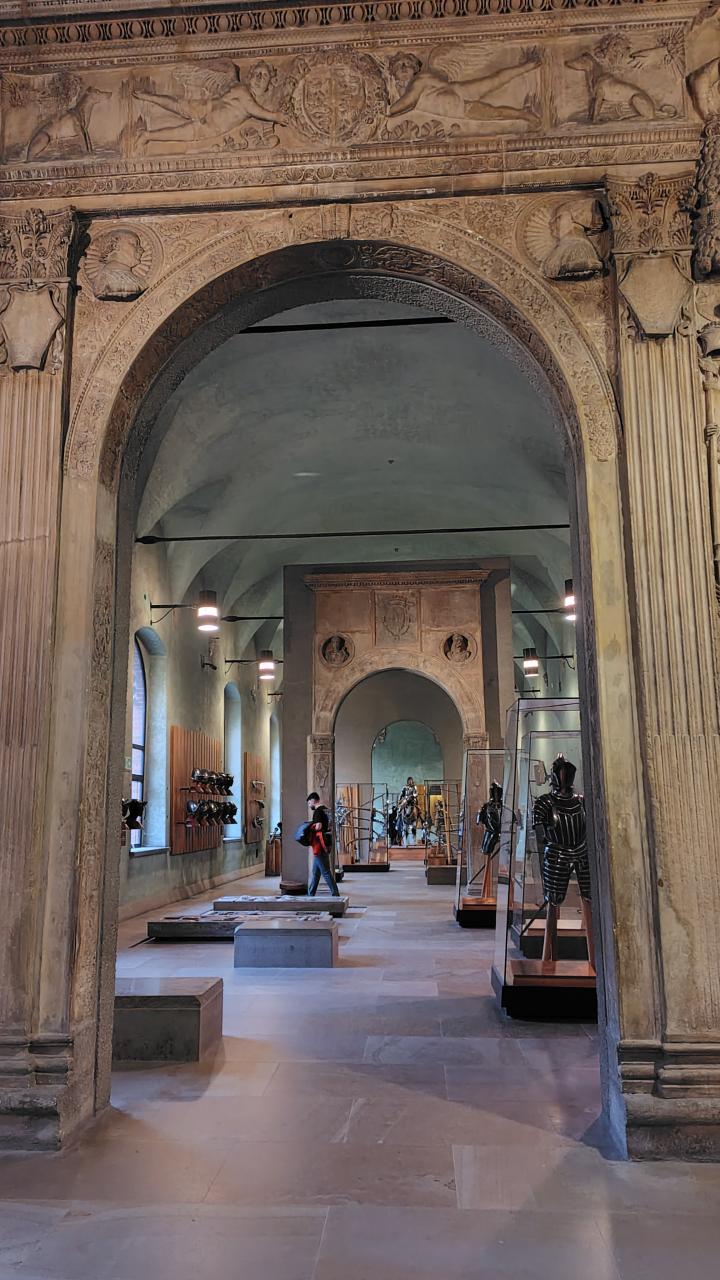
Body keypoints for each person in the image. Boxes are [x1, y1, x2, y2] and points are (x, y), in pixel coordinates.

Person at [306, 791, 340, 897]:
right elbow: (330, 825)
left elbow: (318, 826)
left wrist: (309, 828)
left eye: (309, 803)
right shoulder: (327, 810)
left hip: (319, 845)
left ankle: (335, 894)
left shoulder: (318, 811)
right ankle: (310, 894)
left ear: (313, 800)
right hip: (327, 842)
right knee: (315, 873)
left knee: (325, 872)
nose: (309, 806)